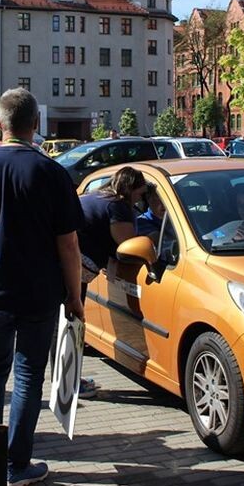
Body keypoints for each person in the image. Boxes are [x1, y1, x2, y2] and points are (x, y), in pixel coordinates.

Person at [0, 87, 84, 486]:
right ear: (36, 125)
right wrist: (75, 296)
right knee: (28, 376)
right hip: (40, 294)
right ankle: (14, 466)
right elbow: (69, 244)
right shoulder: (52, 173)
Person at [76, 166, 147, 398]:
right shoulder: (118, 205)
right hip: (75, 268)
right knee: (72, 325)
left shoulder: (96, 194)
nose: (140, 199)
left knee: (65, 326)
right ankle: (71, 383)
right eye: (139, 194)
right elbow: (127, 246)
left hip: (60, 261)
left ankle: (69, 380)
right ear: (130, 188)